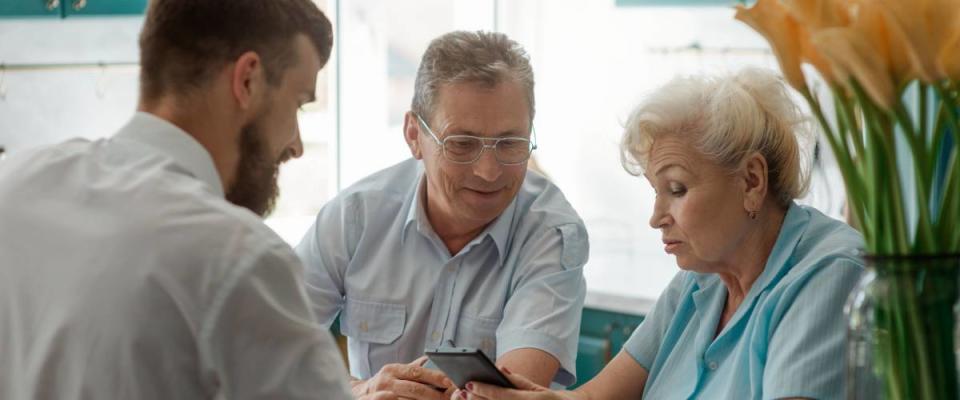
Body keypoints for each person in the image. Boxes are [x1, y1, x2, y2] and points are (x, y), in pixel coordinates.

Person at [0, 1, 393, 399]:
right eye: (298, 103)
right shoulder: (239, 259)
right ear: (248, 81)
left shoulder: (11, 186)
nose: (295, 145)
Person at [460, 68, 865, 399]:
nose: (655, 218)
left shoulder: (829, 275)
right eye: (657, 192)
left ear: (752, 181)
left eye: (677, 190)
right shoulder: (697, 282)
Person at [295, 31, 589, 398]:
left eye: (509, 143)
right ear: (414, 135)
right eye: (462, 144)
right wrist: (361, 391)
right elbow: (270, 348)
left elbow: (513, 393)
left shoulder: (552, 232)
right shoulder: (354, 217)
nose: (488, 171)